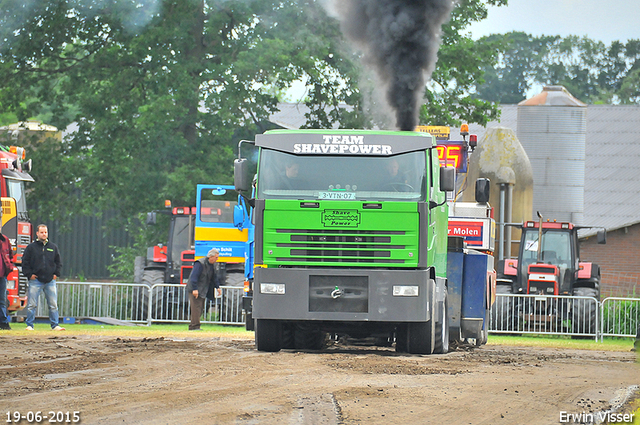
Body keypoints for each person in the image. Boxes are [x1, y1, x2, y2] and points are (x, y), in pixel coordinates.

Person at [22, 224, 64, 331]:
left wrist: (56, 274)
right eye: (42, 232)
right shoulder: (31, 248)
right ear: (37, 233)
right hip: (35, 280)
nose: (44, 234)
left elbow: (58, 262)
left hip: (50, 280)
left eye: (45, 232)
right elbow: (25, 262)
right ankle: (29, 325)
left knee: (53, 304)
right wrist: (29, 274)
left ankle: (55, 325)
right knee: (32, 304)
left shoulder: (53, 247)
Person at [186, 248, 221, 330]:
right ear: (211, 257)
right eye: (216, 257)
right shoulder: (199, 263)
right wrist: (194, 289)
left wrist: (217, 287)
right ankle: (194, 326)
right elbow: (193, 277)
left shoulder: (212, 265)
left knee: (200, 308)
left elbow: (214, 277)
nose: (217, 259)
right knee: (196, 308)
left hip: (203, 289)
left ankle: (195, 325)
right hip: (195, 289)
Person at [0, 210, 14, 331]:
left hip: (2, 275)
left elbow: (10, 254)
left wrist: (10, 266)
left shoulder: (5, 240)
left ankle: (4, 323)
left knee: (2, 300)